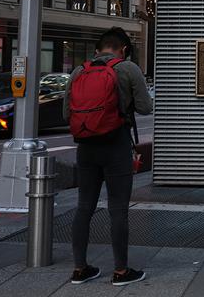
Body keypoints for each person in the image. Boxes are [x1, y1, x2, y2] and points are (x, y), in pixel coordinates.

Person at [64, 27, 153, 286]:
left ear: (98, 49)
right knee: (118, 210)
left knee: (84, 207)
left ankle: (80, 269)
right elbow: (146, 108)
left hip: (86, 147)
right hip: (116, 146)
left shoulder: (79, 71)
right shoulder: (128, 68)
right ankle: (121, 271)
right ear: (124, 49)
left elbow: (66, 115)